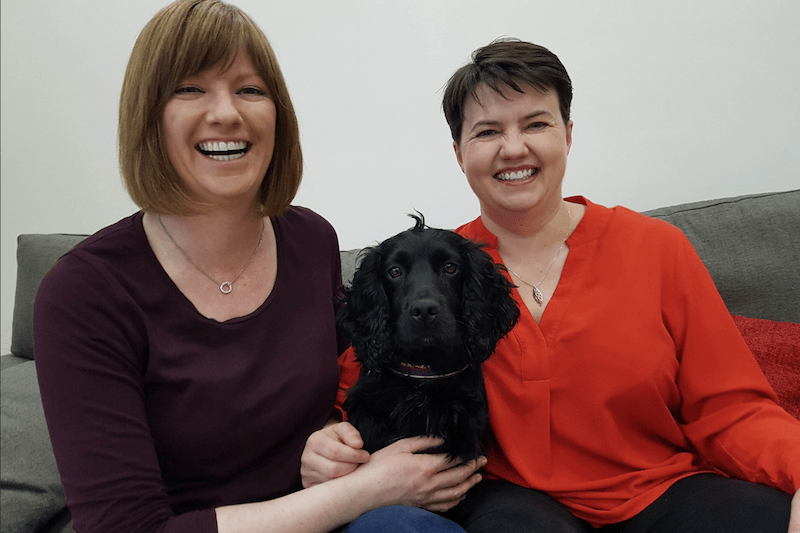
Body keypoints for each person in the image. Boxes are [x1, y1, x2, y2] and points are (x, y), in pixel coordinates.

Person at [303, 39, 800, 532]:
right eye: (488, 131)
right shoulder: (433, 268)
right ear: (459, 153)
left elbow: (730, 409)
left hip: (662, 490)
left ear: (567, 134)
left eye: (536, 124)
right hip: (512, 500)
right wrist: (329, 441)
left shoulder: (657, 249)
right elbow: (361, 385)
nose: (514, 148)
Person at [32, 1, 482, 532]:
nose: (226, 113)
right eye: (190, 88)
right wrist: (365, 490)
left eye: (249, 89)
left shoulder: (312, 241)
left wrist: (331, 446)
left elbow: (339, 393)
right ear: (147, 115)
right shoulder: (84, 292)